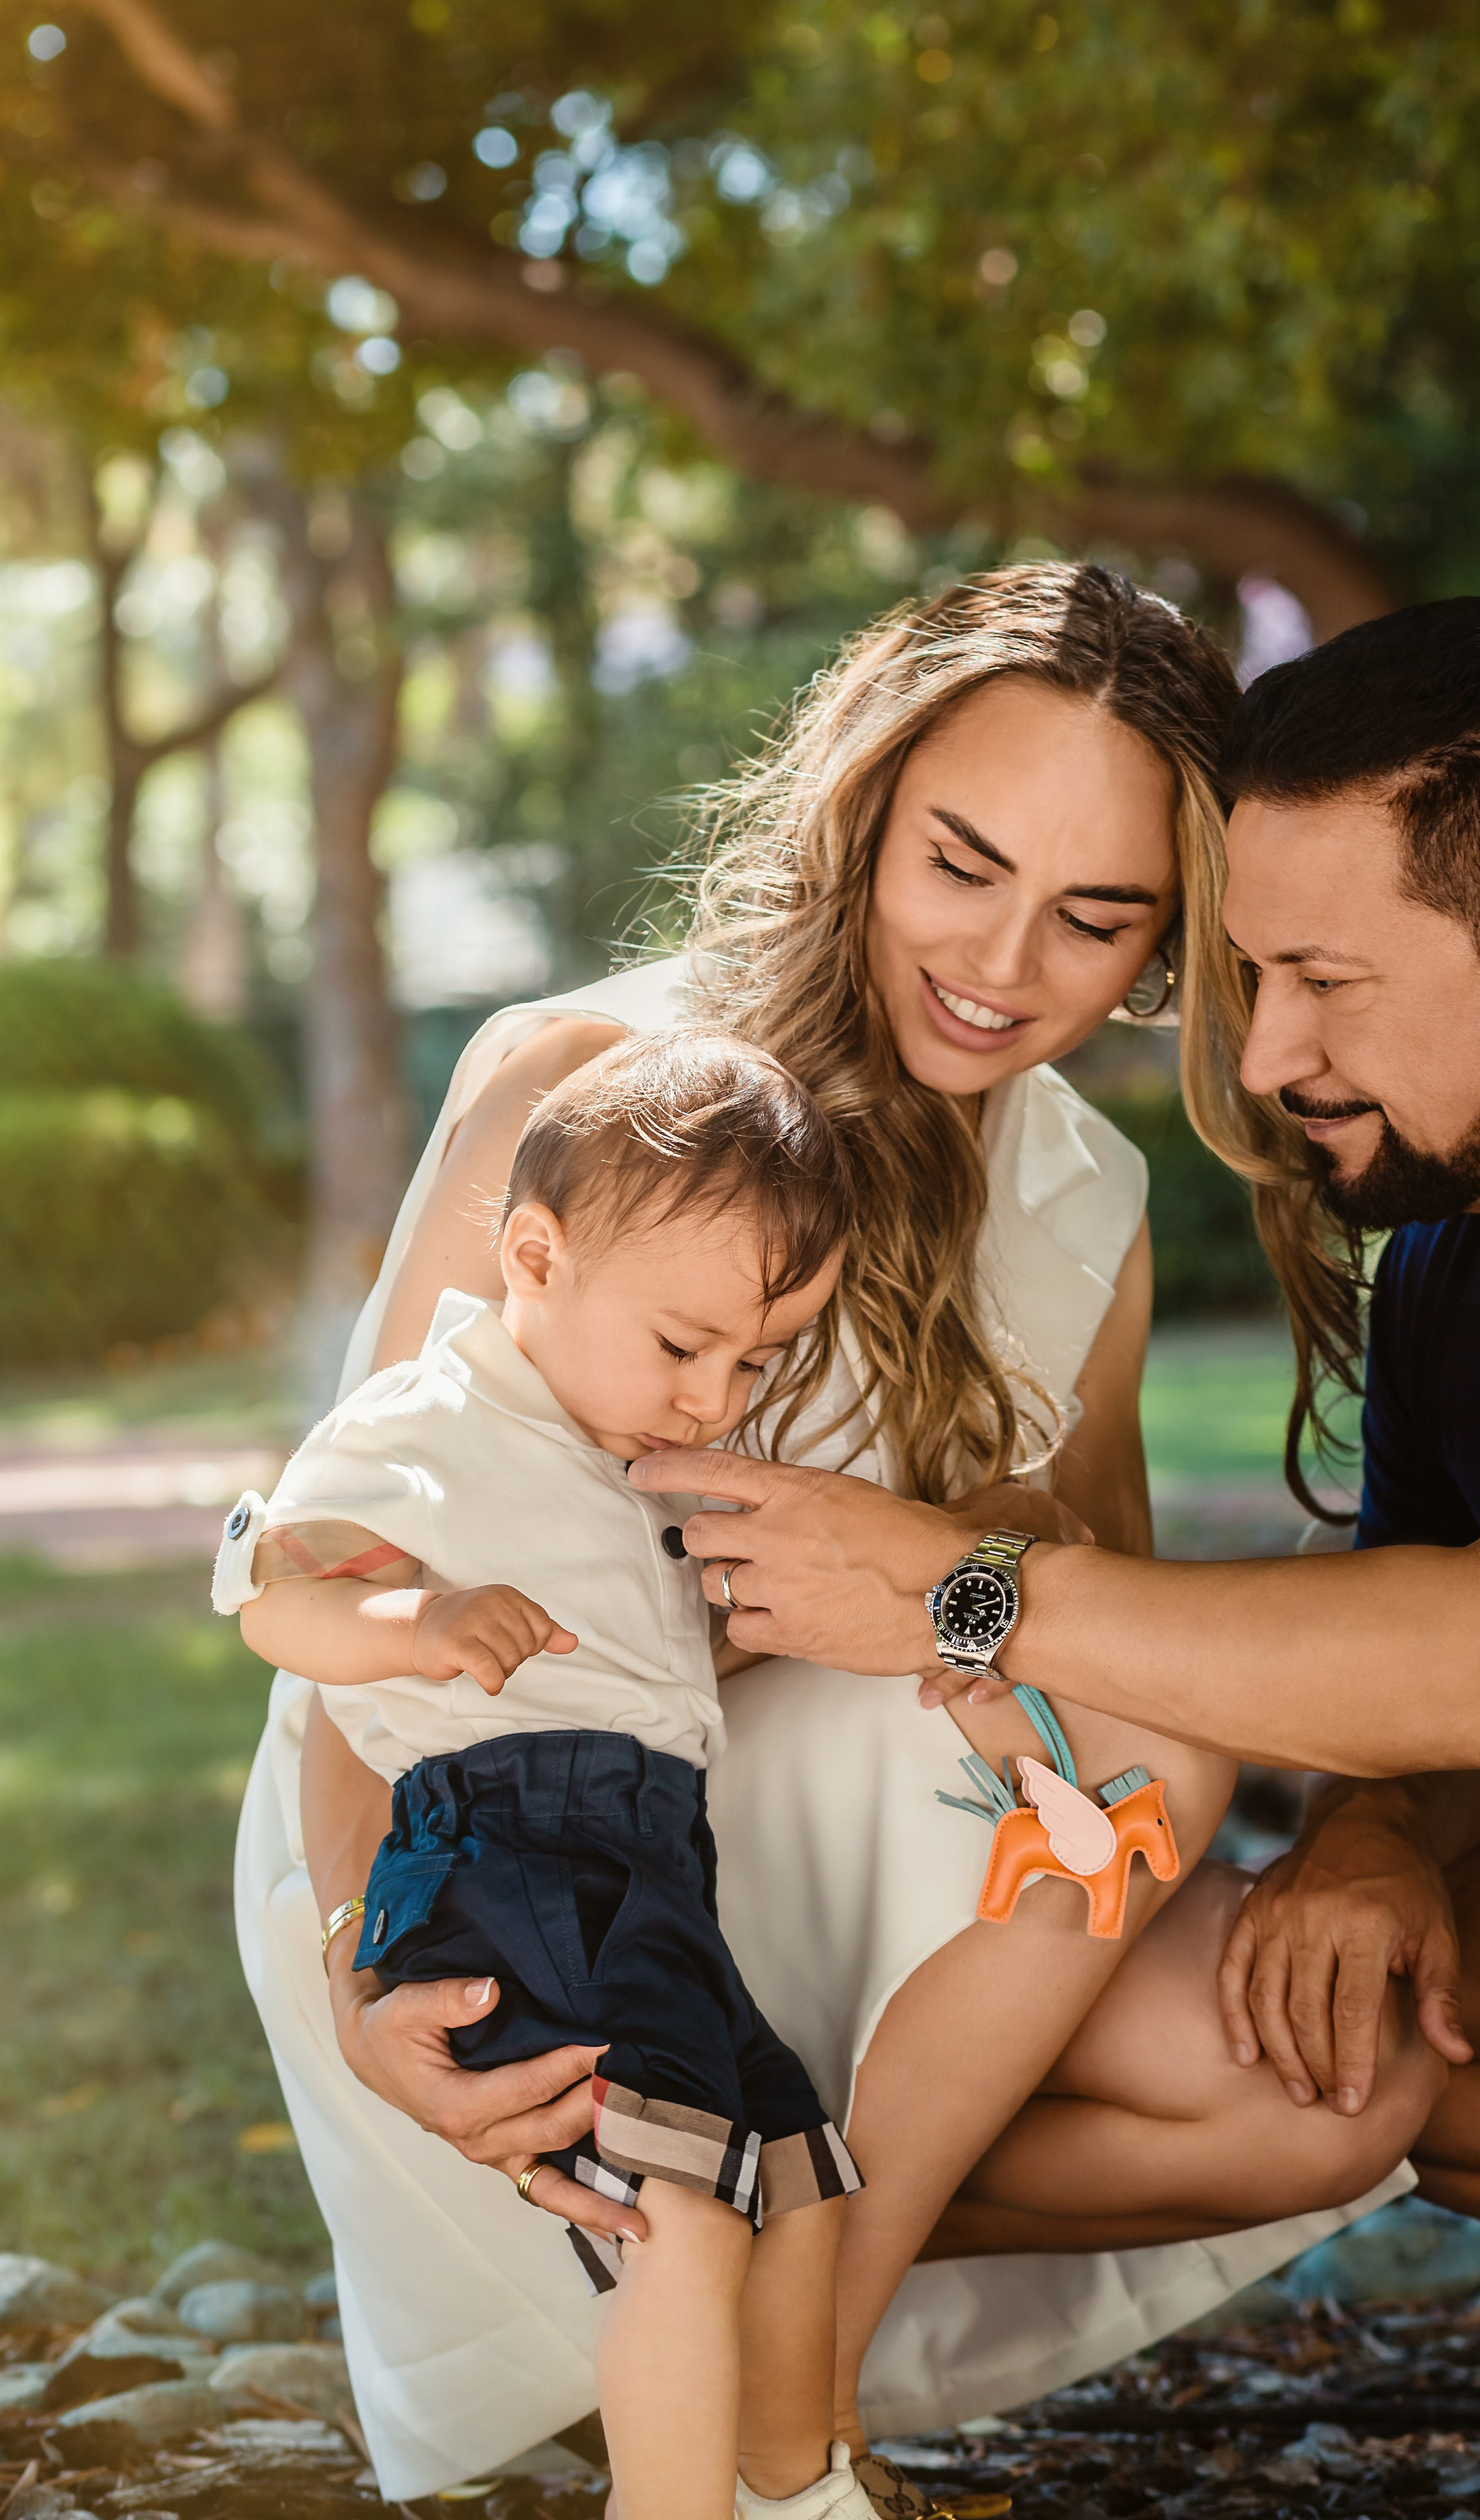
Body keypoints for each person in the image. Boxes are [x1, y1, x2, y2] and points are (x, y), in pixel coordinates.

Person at [233, 564, 1431, 2506]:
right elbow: (360, 1569)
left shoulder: (1091, 1201)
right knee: (1151, 1731)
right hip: (493, 1844)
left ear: (1168, 940)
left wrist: (931, 1582)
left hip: (844, 1851)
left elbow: (1084, 1619)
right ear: (865, 811)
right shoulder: (598, 1094)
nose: (1004, 962)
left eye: (1096, 916)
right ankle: (783, 2429)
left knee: (1328, 2084)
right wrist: (369, 1979)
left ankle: (779, 2345)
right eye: (961, 863)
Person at [634, 597, 1480, 2268]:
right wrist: (1372, 1837)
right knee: (1311, 2026)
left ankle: (732, 2237)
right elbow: (1411, 1671)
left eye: (1324, 981)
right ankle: (713, 2226)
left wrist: (954, 1585)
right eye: (1249, 974)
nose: (1273, 1052)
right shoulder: (1452, 1269)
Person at [222, 1034, 879, 2520]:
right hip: (515, 1839)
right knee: (680, 2215)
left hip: (645, 1856)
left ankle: (792, 2487)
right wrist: (419, 1620)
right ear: (534, 1256)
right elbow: (273, 1598)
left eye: (752, 1364)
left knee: (792, 2178)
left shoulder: (612, 1447)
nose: (712, 1398)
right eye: (683, 1346)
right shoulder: (432, 1419)